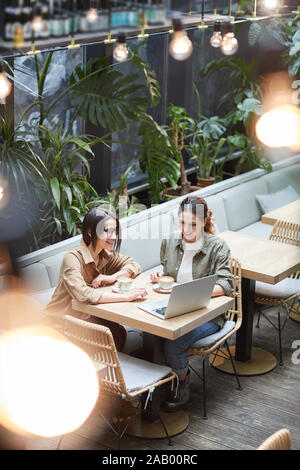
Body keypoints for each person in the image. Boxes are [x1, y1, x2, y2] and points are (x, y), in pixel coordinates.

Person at [150, 196, 233, 411]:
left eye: (193, 224)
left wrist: (195, 295)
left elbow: (226, 285)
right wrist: (159, 274)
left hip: (208, 315)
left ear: (205, 221)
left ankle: (182, 383)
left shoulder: (218, 247)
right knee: (150, 335)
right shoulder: (169, 242)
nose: (187, 230)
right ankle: (158, 387)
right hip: (176, 310)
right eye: (182, 223)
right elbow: (168, 276)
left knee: (173, 344)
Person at [45, 207, 147, 351]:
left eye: (114, 231)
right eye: (106, 231)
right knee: (113, 334)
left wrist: (112, 277)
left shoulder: (104, 255)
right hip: (59, 325)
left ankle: (113, 371)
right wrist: (126, 296)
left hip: (84, 319)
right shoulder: (73, 258)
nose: (113, 236)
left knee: (117, 332)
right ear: (90, 231)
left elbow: (134, 265)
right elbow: (83, 294)